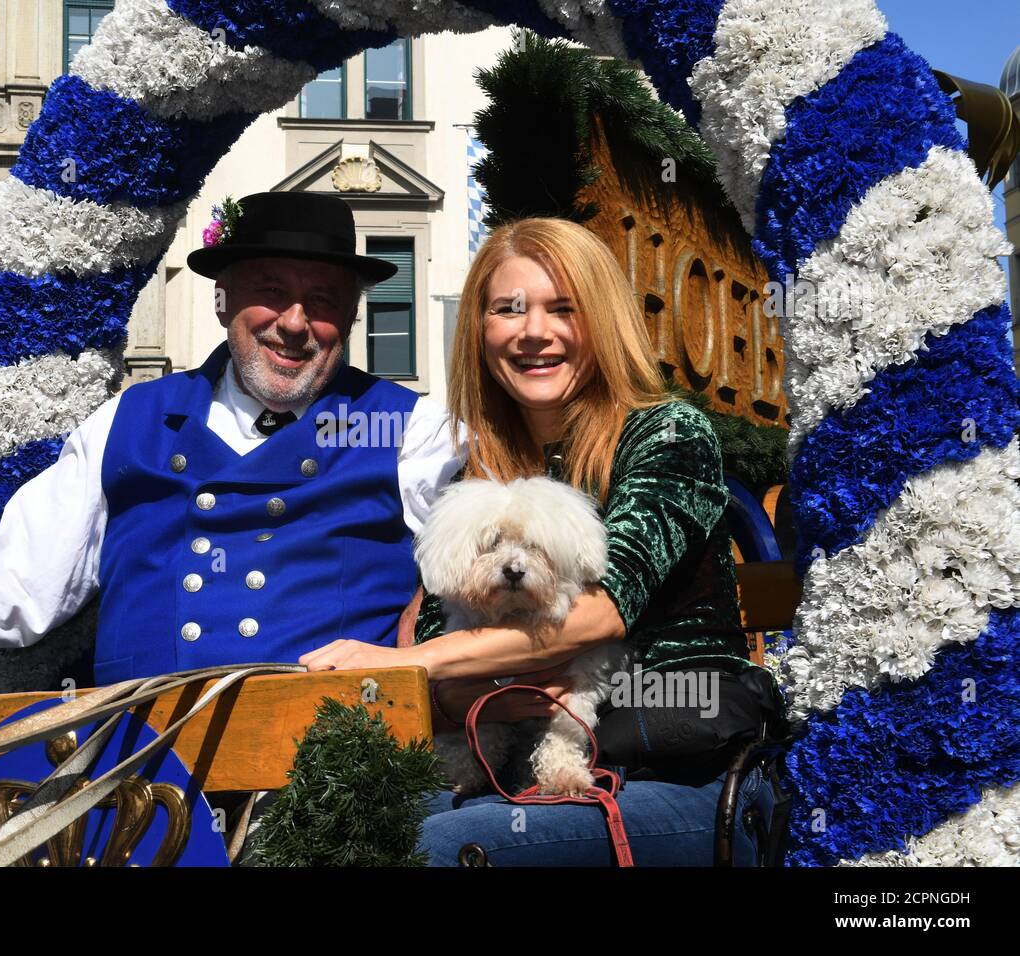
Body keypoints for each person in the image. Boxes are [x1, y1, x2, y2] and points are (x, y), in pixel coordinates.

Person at [0, 191, 465, 693]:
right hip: (142, 789)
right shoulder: (127, 423)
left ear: (350, 312)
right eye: (271, 291)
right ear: (223, 298)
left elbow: (496, 579)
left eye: (322, 298)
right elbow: (17, 577)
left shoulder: (414, 432)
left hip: (337, 796)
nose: (294, 322)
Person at [299, 217, 782, 866]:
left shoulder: (667, 437)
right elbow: (449, 661)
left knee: (428, 849)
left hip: (677, 771)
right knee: (331, 822)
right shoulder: (477, 472)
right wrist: (476, 684)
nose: (533, 330)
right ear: (480, 328)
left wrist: (411, 663)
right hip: (515, 769)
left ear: (604, 320)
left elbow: (602, 609)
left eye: (564, 308)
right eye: (508, 308)